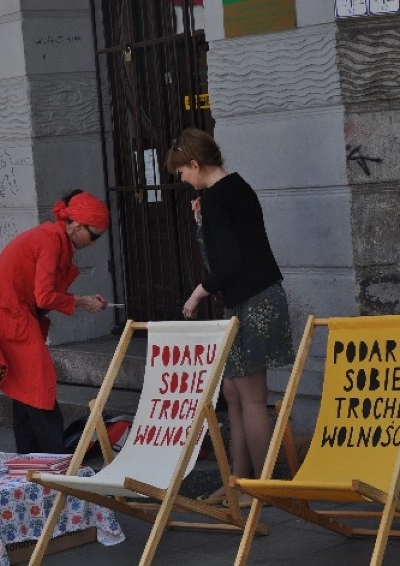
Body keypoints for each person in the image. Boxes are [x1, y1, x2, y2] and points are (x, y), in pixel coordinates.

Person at [165, 128, 294, 506]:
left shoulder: (218, 199)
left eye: (182, 172)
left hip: (252, 299)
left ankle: (262, 487)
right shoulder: (236, 188)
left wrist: (197, 293)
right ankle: (236, 482)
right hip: (256, 297)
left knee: (251, 397)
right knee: (235, 393)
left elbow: (229, 263)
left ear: (195, 163)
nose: (182, 180)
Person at [0, 190, 110, 454]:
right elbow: (44, 297)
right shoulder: (51, 241)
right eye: (94, 235)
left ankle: (30, 464)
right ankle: (54, 466)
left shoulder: (50, 236)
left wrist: (78, 300)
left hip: (7, 314)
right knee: (38, 388)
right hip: (11, 316)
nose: (94, 243)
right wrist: (82, 301)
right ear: (77, 225)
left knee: (24, 392)